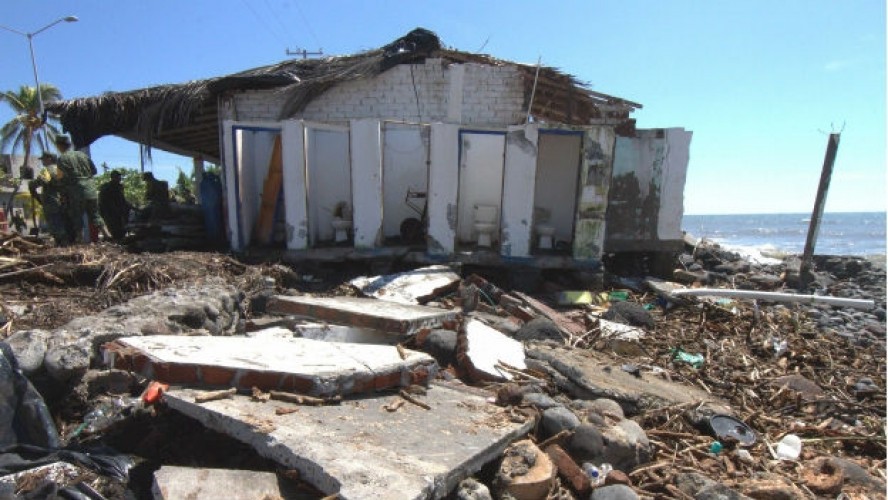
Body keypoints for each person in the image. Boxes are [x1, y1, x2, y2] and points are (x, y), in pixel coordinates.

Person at [54, 135, 108, 243]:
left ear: (59, 145)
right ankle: (108, 235)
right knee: (95, 215)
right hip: (91, 189)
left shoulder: (62, 159)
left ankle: (80, 240)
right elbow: (94, 171)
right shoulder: (83, 155)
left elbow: (61, 179)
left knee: (76, 216)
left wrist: (63, 193)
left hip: (76, 192)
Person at [29, 152, 71, 245]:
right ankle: (66, 244)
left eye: (43, 159)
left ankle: (62, 245)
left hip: (51, 202)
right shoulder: (59, 170)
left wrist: (31, 184)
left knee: (55, 225)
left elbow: (40, 182)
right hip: (62, 201)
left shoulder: (47, 170)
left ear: (49, 159)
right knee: (63, 223)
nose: (42, 161)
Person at [98, 170, 131, 241]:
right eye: (117, 177)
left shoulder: (120, 186)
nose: (119, 179)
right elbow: (104, 201)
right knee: (114, 228)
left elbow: (122, 199)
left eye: (119, 177)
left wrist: (129, 207)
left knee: (121, 228)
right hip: (109, 211)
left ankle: (119, 237)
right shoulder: (106, 187)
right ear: (112, 177)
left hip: (119, 210)